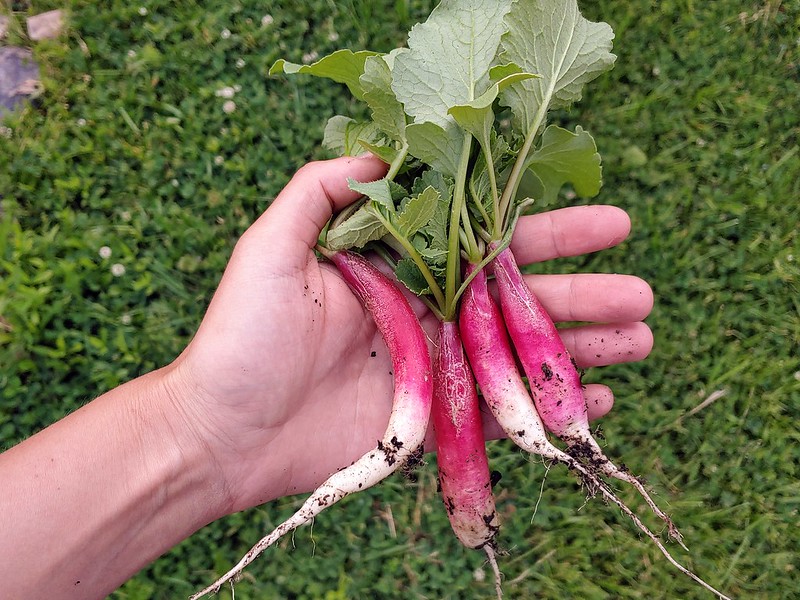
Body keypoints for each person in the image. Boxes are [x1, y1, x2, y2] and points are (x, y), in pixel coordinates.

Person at [0, 155, 654, 599]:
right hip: (430, 336)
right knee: (482, 372)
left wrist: (197, 437)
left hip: (460, 314)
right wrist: (201, 431)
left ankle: (561, 437)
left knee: (517, 387)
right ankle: (559, 443)